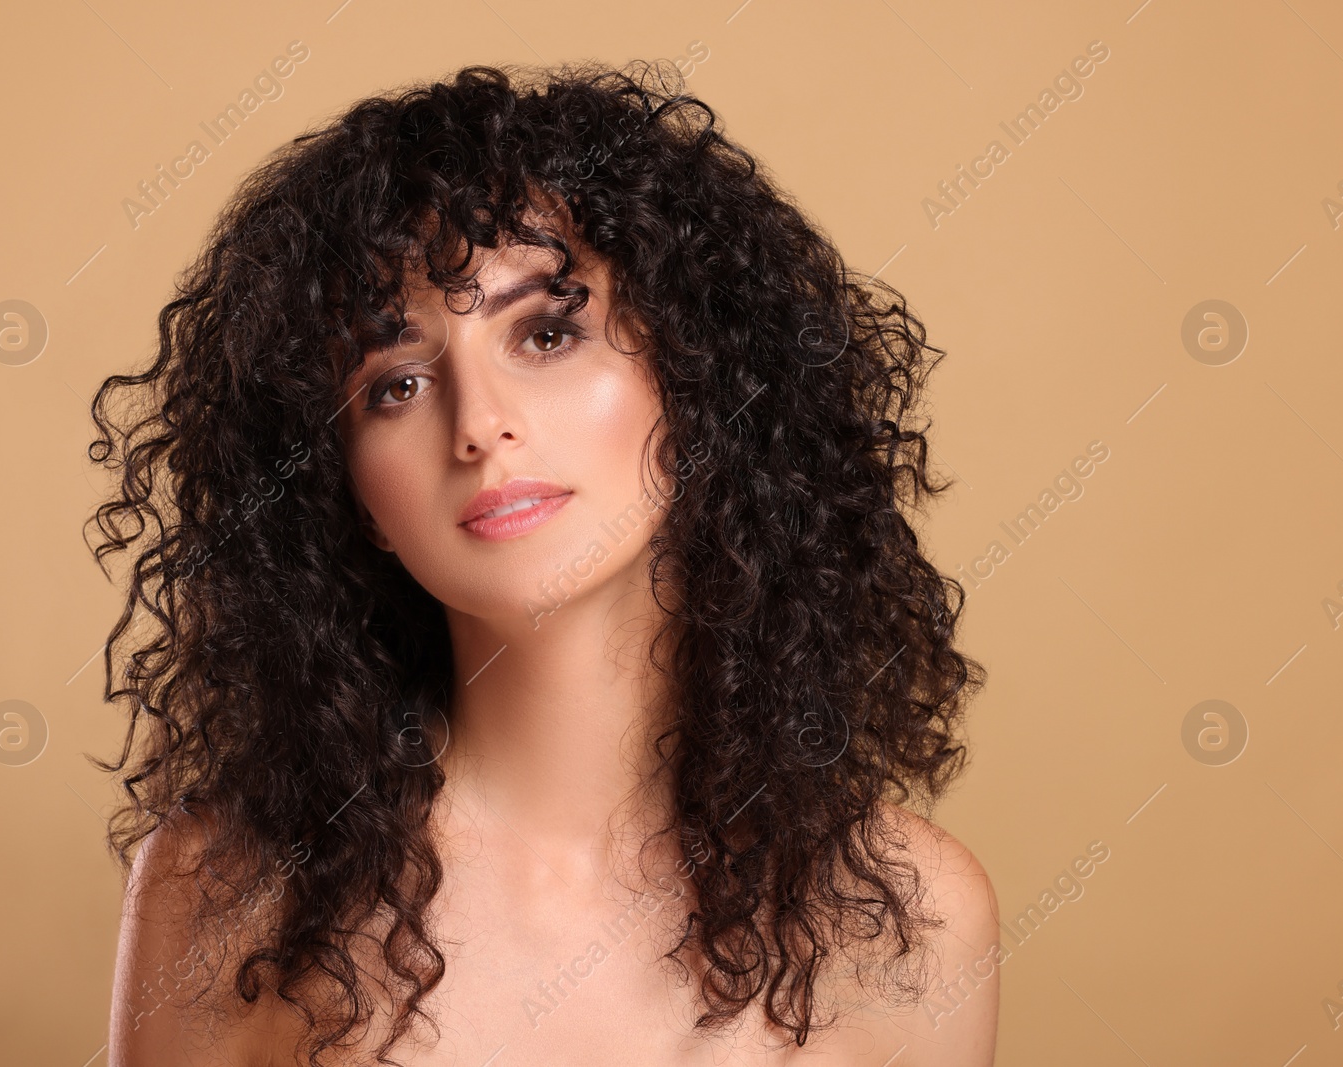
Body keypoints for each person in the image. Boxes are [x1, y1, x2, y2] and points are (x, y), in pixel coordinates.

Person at [86, 59, 998, 1067]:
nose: (478, 425)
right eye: (395, 384)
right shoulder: (229, 894)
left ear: (695, 378)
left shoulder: (911, 918)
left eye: (548, 331)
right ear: (351, 496)